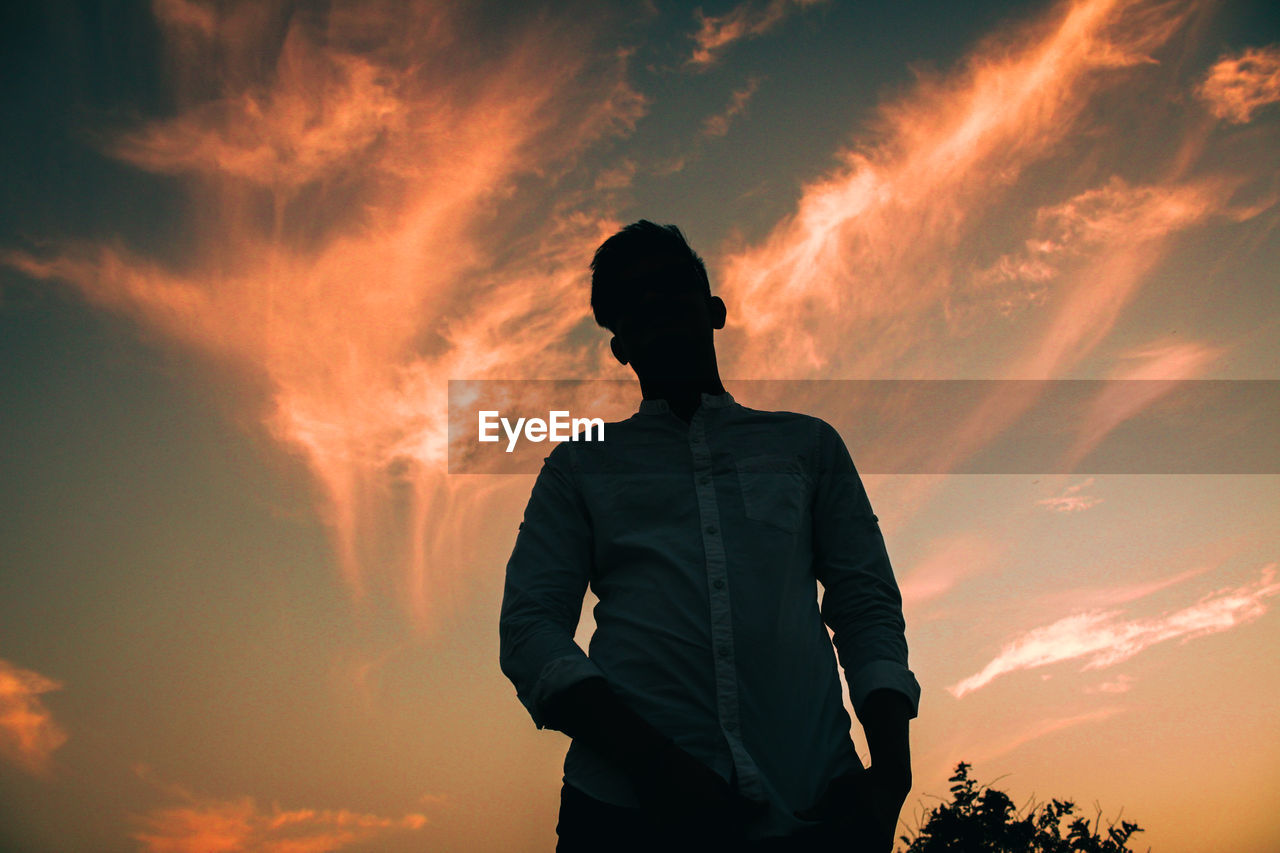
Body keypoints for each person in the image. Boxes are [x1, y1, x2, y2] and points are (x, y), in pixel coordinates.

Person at [499, 220, 920, 851]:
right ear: (619, 346)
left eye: (669, 286)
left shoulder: (807, 445)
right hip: (626, 813)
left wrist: (890, 776)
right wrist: (657, 767)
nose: (655, 307)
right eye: (631, 303)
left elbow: (866, 605)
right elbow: (530, 630)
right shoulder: (580, 464)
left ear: (715, 310)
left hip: (815, 806)